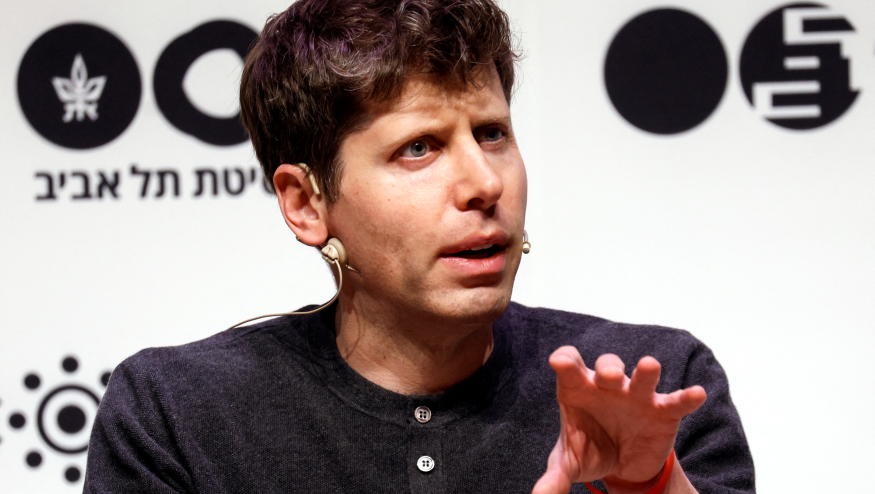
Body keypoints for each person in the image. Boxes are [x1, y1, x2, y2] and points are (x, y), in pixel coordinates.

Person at [84, 1, 754, 493]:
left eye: (492, 134)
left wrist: (651, 484)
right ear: (306, 203)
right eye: (419, 148)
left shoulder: (653, 384)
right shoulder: (176, 413)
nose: (483, 183)